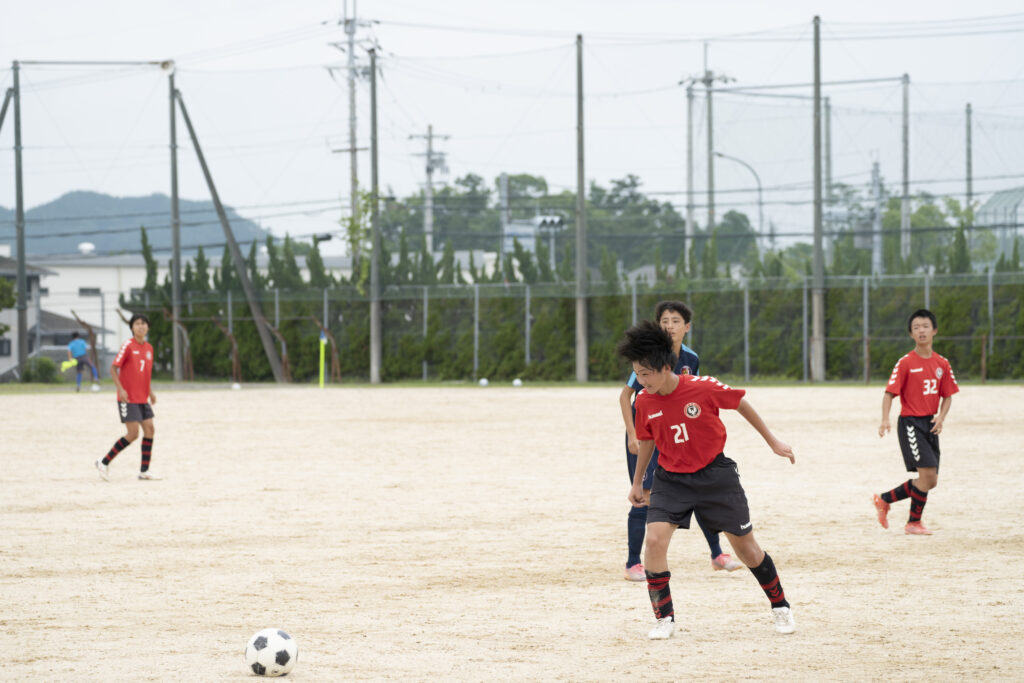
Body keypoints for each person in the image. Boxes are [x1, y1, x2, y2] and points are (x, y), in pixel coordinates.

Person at [617, 320, 796, 639]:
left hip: (715, 476)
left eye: (646, 374)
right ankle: (664, 618)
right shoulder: (643, 401)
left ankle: (780, 605)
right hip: (671, 479)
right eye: (637, 374)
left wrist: (772, 441)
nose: (641, 381)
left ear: (665, 366)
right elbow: (647, 440)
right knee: (654, 541)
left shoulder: (703, 387)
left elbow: (740, 403)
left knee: (747, 550)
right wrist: (637, 482)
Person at [618, 300, 742, 581]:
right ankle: (632, 563)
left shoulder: (691, 358)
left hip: (672, 431)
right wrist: (632, 433)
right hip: (647, 432)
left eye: (675, 321)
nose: (669, 326)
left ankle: (717, 555)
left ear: (687, 327)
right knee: (644, 494)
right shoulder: (648, 357)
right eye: (664, 321)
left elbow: (690, 394)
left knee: (695, 485)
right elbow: (625, 396)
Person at [872, 308, 958, 535]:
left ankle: (884, 500)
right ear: (911, 333)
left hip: (931, 424)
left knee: (930, 480)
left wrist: (941, 417)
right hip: (911, 424)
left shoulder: (942, 363)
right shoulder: (906, 363)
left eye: (925, 326)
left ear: (934, 330)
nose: (921, 331)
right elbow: (889, 394)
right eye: (916, 327)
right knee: (927, 476)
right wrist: (885, 419)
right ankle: (913, 523)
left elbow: (948, 395)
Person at [95, 314, 160, 482]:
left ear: (148, 327)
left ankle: (144, 471)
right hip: (128, 398)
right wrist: (120, 389)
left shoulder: (149, 348)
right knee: (133, 434)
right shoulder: (128, 346)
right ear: (132, 327)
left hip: (142, 398)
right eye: (137, 323)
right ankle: (104, 462)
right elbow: (113, 368)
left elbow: (144, 374)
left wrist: (150, 392)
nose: (141, 326)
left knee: (150, 429)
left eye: (144, 323)